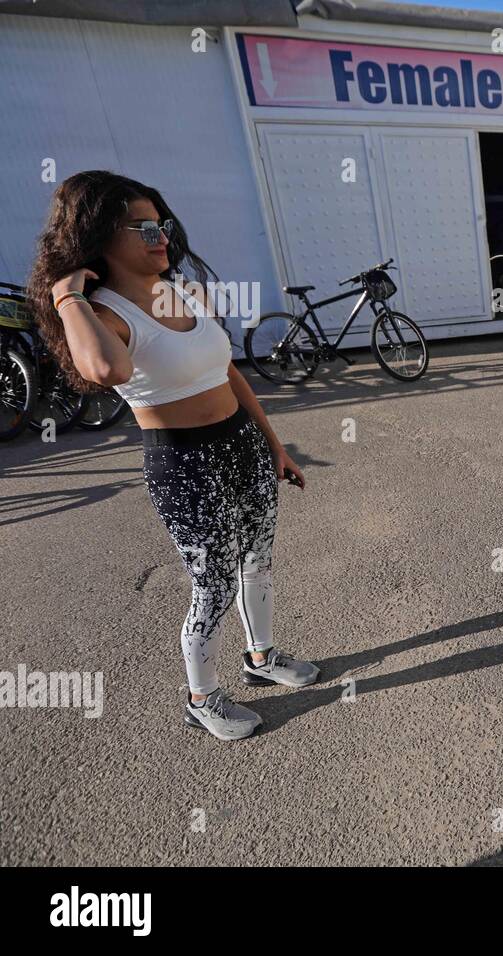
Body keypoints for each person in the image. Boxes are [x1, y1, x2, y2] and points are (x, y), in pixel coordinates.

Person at [28, 170, 319, 742]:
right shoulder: (104, 314)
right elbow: (106, 369)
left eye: (159, 222)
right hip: (185, 464)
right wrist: (65, 295)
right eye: (138, 226)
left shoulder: (183, 289)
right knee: (212, 584)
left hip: (242, 444)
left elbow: (227, 371)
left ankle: (261, 658)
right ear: (95, 237)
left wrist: (274, 444)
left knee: (257, 560)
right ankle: (201, 695)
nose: (157, 234)